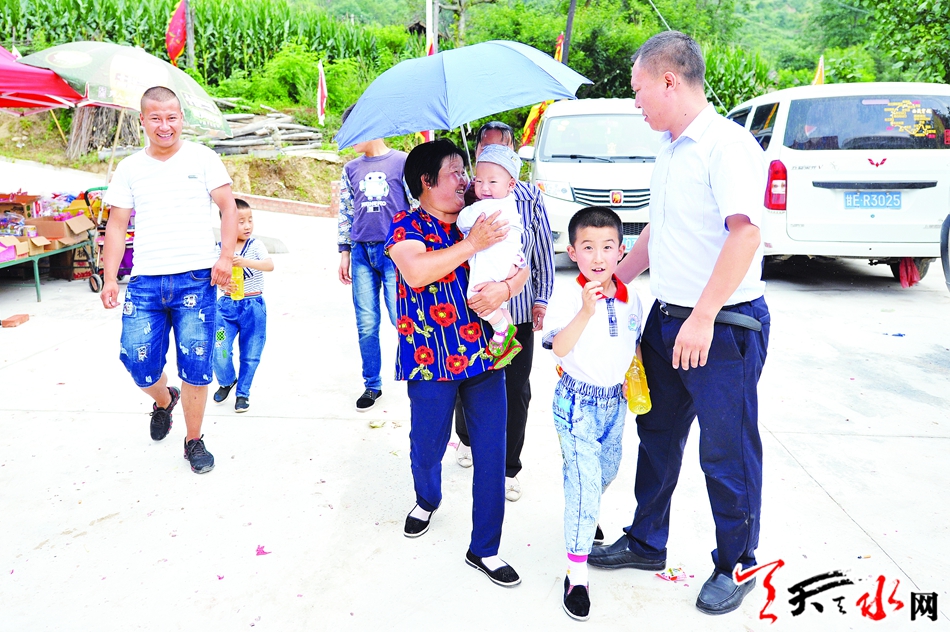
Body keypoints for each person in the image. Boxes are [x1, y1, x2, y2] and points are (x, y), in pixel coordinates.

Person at [588, 31, 771, 617]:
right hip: (667, 322)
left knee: (726, 451)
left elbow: (745, 233)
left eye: (639, 90)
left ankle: (737, 563)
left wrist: (703, 315)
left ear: (669, 81)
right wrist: (616, 278)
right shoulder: (670, 150)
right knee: (658, 436)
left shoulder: (726, 146)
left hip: (721, 328)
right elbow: (656, 231)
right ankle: (647, 540)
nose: (636, 101)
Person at [386, 139, 530, 587]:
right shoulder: (406, 224)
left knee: (491, 452)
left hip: (484, 356)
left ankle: (485, 547)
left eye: (464, 171)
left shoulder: (478, 215)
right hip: (429, 361)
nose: (465, 180)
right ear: (426, 182)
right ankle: (427, 498)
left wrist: (506, 289)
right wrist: (471, 244)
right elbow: (416, 272)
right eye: (454, 172)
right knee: (428, 445)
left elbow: (521, 265)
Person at [100, 85, 238, 475]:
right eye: (156, 118)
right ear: (142, 120)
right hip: (145, 282)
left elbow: (228, 208)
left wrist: (225, 257)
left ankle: (193, 440)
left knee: (196, 366)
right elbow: (116, 226)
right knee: (136, 361)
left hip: (196, 279)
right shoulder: (129, 168)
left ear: (182, 118)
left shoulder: (203, 158)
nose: (165, 126)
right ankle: (164, 399)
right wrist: (110, 278)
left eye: (172, 117)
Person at [541, 207, 644, 621]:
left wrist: (635, 379)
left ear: (621, 251)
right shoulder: (568, 296)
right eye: (587, 247)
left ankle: (583, 511)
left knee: (607, 470)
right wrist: (585, 310)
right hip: (577, 405)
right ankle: (577, 575)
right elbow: (559, 348)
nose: (598, 257)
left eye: (607, 247)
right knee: (584, 486)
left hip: (614, 403)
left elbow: (633, 341)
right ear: (573, 252)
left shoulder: (632, 296)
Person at [454, 121, 556, 504]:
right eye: (486, 148)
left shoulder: (529, 197)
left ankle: (509, 467)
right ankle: (466, 437)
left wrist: (541, 297)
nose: (493, 155)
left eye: (502, 147)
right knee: (468, 380)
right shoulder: (465, 193)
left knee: (515, 389)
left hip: (518, 307)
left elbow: (541, 249)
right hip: (471, 309)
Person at [337, 105, 412, 412]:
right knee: (366, 323)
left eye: (353, 130)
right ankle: (372, 384)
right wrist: (344, 250)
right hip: (360, 253)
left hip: (395, 253)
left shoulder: (402, 163)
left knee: (401, 317)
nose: (349, 138)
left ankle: (419, 373)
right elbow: (346, 211)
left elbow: (416, 205)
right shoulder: (350, 169)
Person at [456, 144, 527, 368]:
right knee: (501, 304)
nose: (484, 187)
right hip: (510, 259)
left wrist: (466, 207)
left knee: (476, 296)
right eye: (478, 181)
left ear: (511, 184)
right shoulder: (509, 202)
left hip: (495, 259)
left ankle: (501, 330)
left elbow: (462, 221)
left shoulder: (486, 207)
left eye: (492, 182)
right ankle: (509, 341)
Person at [212, 198, 274, 413]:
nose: (247, 226)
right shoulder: (218, 249)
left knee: (251, 353)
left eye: (250, 220)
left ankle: (243, 393)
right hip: (225, 309)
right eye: (241, 222)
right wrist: (221, 282)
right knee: (219, 347)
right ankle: (227, 380)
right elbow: (210, 276)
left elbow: (269, 265)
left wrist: (244, 262)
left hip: (253, 308)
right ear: (226, 224)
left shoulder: (255, 245)